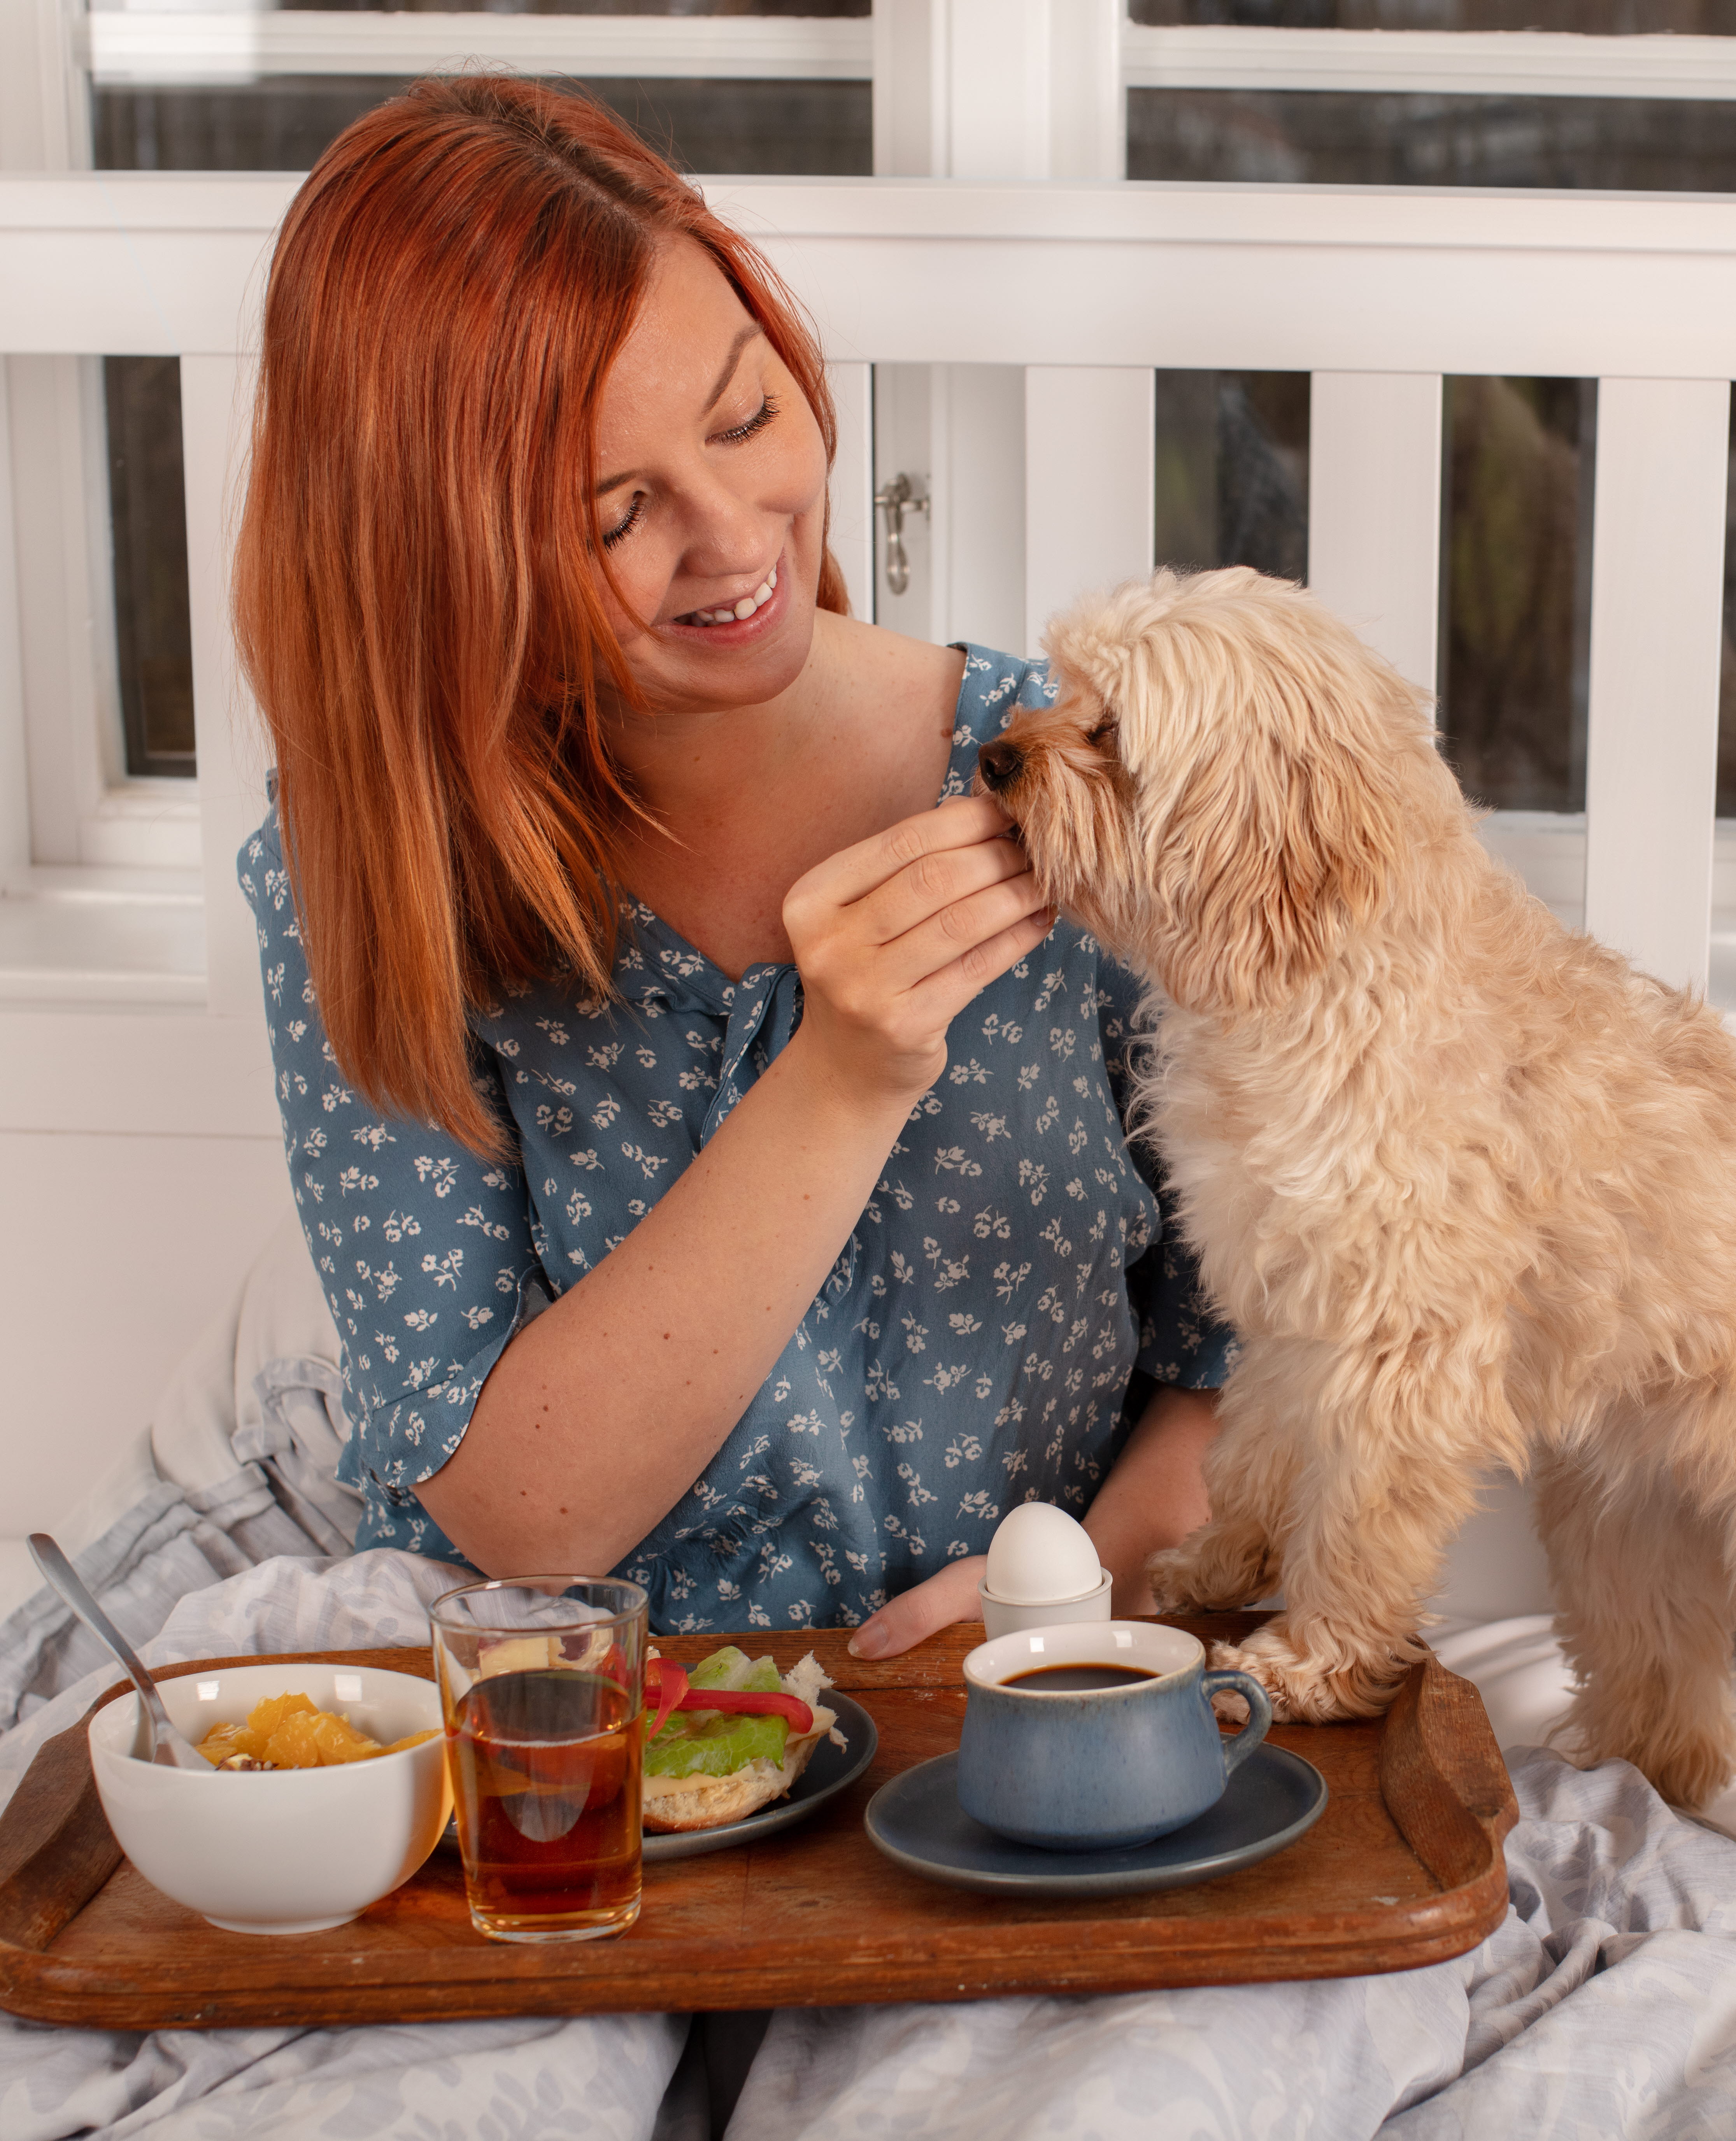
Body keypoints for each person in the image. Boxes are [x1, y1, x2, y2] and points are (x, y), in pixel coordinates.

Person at [233, 74, 1233, 1661]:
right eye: (618, 512)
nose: (736, 536)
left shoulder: (1065, 781)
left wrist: (1084, 1590)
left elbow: (1244, 1341)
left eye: (748, 415)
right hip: (583, 1740)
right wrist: (843, 1077)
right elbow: (516, 1507)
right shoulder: (375, 865)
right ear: (441, 569)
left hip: (1055, 1683)